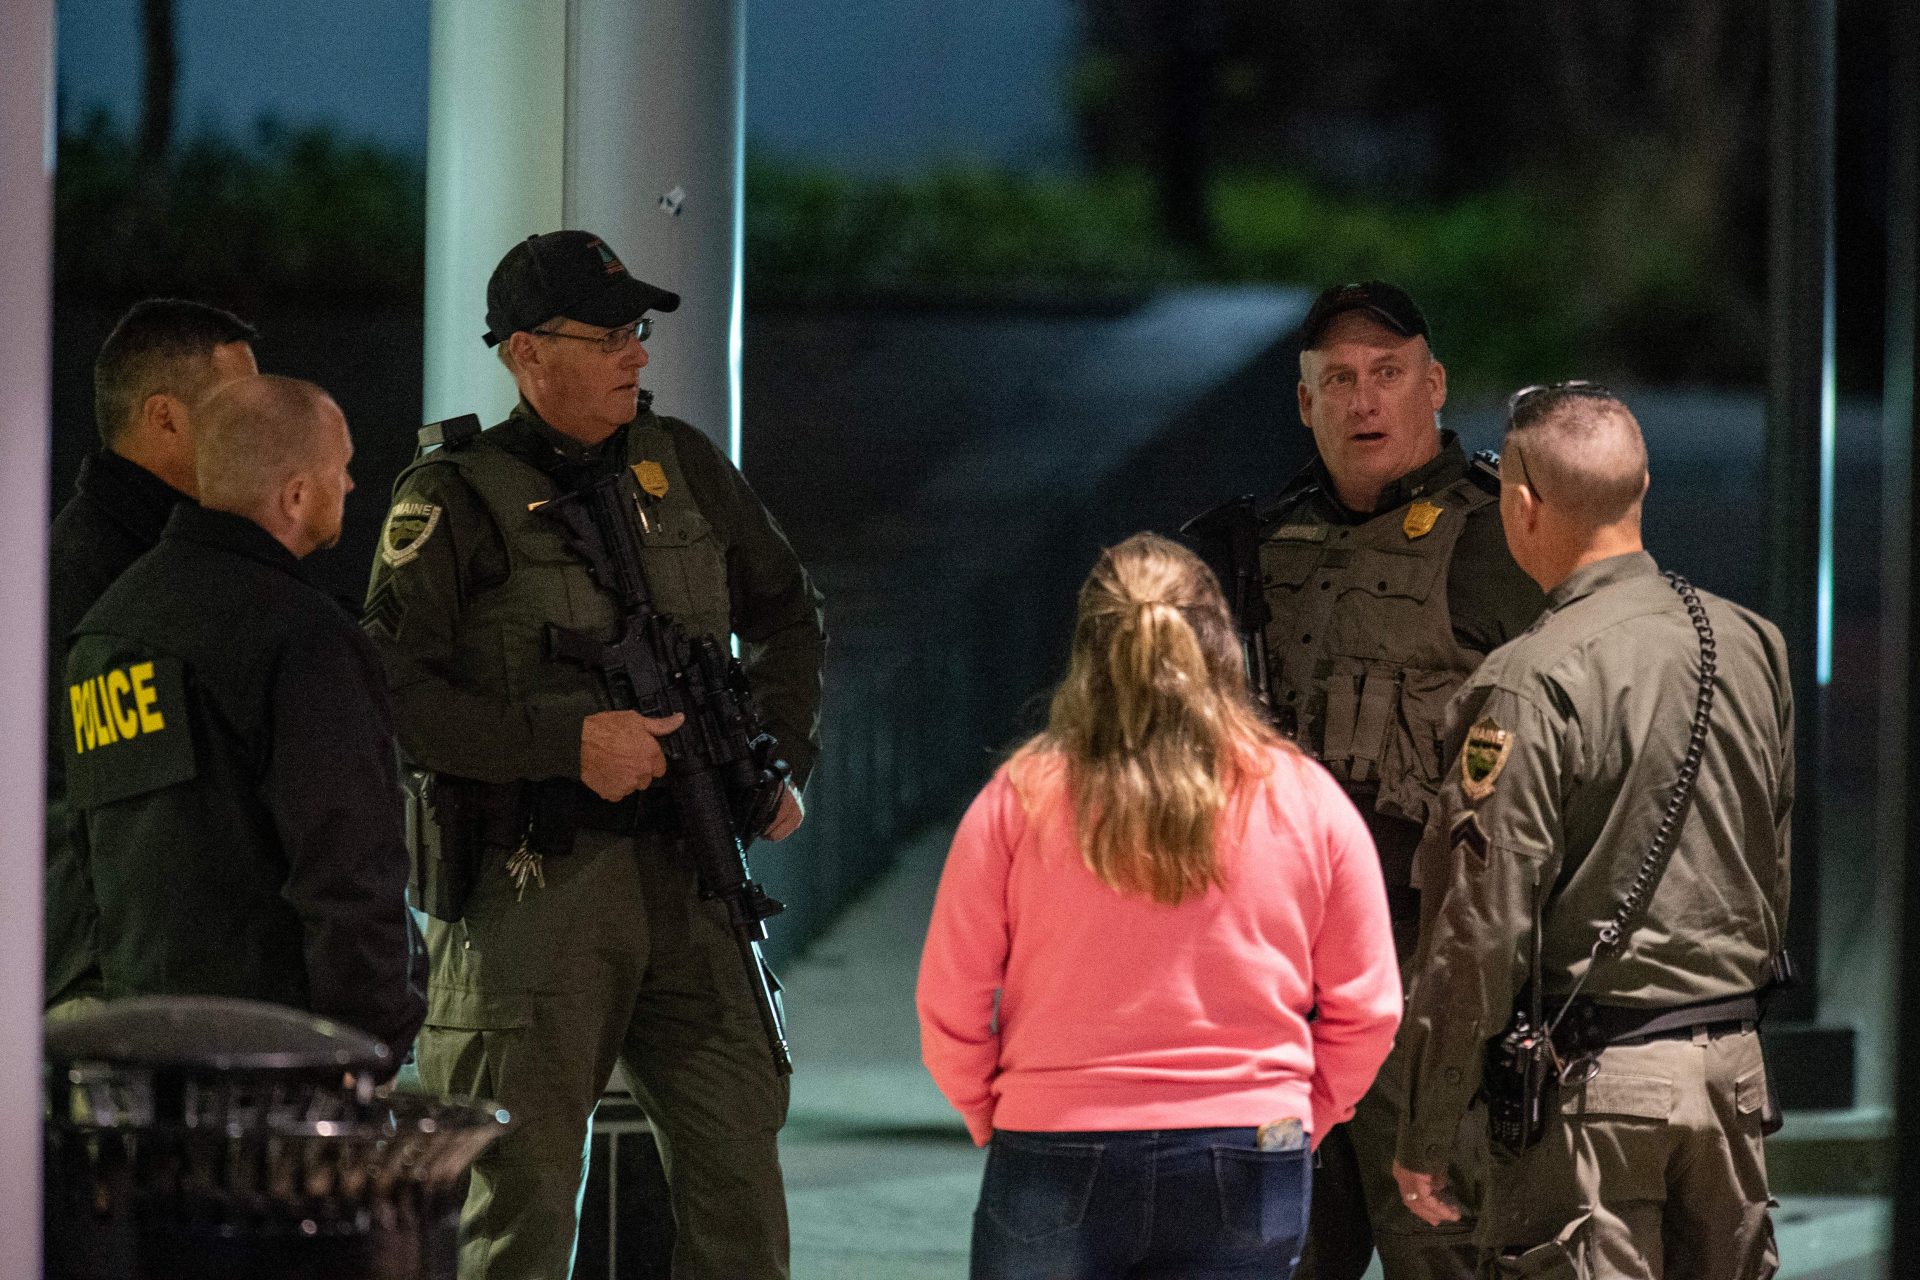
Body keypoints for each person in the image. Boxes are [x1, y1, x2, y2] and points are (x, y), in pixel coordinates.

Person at [363, 229, 826, 1279]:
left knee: (740, 1183)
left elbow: (792, 615)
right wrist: (565, 744)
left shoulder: (684, 464)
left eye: (639, 330)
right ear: (527, 352)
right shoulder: (454, 498)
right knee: (516, 1207)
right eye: (609, 334)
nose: (637, 354)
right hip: (537, 891)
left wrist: (777, 753)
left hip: (696, 877)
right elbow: (384, 689)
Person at [917, 532, 1402, 1280]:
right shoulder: (1304, 798)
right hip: (1250, 1145)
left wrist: (996, 1112)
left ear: (1086, 653)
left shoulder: (1020, 800)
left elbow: (949, 1002)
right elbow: (1369, 1009)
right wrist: (1305, 1111)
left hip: (1055, 1144)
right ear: (1223, 649)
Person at [1187, 281, 1547, 1280]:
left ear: (1433, 384)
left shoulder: (1498, 543)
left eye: (1388, 373)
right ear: (1306, 403)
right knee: (1278, 1245)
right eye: (1337, 379)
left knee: (1437, 1241)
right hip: (1275, 973)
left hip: (1425, 974)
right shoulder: (1258, 547)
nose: (1364, 399)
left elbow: (1586, 751)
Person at [1390, 383, 1791, 1279]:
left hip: (1593, 1101)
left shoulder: (1528, 679)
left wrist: (1426, 1125)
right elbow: (1772, 861)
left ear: (1521, 506)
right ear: (1642, 484)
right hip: (1733, 1077)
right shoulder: (1751, 643)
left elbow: (1482, 927)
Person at [62, 374, 426, 1065]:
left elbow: (97, 860)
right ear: (294, 494)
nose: (350, 486)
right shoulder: (303, 636)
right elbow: (348, 864)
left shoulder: (105, 629)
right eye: (341, 469)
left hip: (144, 1044)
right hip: (282, 1059)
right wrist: (373, 1038)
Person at [45, 299, 259, 1019]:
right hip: (119, 987)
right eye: (237, 406)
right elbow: (151, 824)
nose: (259, 429)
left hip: (140, 974)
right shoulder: (100, 578)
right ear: (163, 418)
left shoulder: (158, 558)